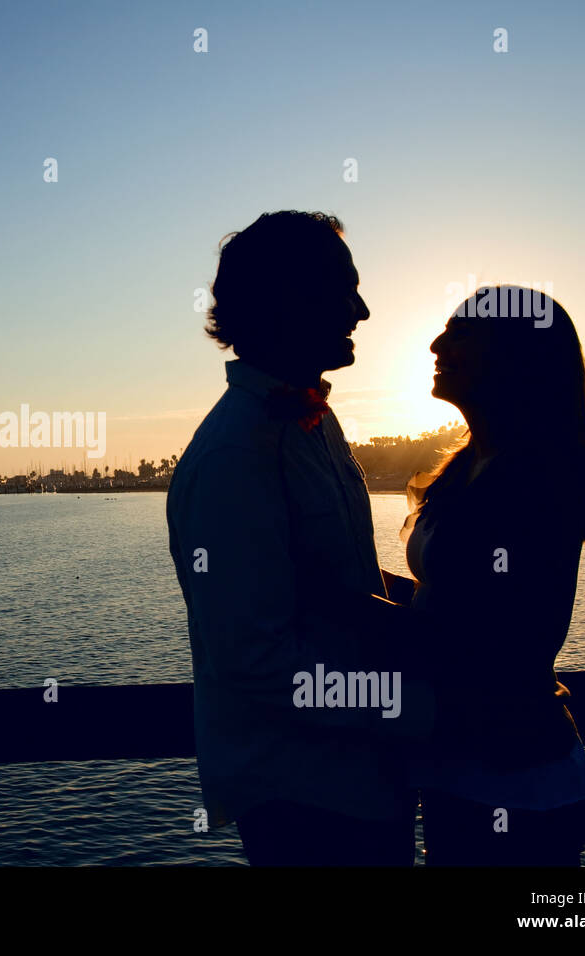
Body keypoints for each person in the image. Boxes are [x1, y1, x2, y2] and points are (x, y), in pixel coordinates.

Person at [167, 211, 432, 866]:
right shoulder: (235, 456)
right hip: (308, 805)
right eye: (343, 289)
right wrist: (416, 707)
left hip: (363, 785)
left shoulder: (312, 422)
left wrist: (438, 606)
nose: (363, 309)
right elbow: (256, 662)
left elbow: (341, 580)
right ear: (287, 302)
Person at [395, 286, 585, 865]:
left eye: (459, 332)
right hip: (461, 765)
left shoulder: (538, 478)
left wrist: (331, 600)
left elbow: (474, 637)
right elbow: (442, 600)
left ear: (511, 356)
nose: (436, 342)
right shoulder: (471, 463)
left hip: (517, 779)